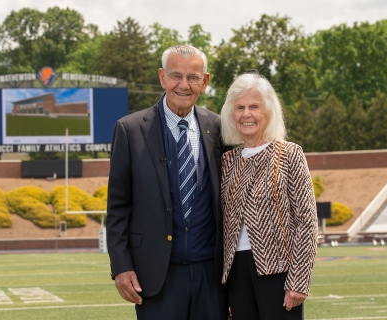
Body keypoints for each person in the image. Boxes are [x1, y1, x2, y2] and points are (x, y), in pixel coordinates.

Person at [107, 44, 228, 320]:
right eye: (176, 76)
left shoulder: (220, 128)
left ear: (205, 82)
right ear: (162, 77)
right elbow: (118, 207)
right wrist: (121, 266)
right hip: (155, 277)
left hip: (211, 278)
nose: (183, 85)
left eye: (193, 77)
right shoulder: (130, 130)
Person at [219, 72, 318, 319]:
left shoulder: (290, 154)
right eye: (239, 107)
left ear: (269, 111)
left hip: (280, 272)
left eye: (254, 106)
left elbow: (306, 222)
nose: (246, 114)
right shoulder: (227, 161)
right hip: (235, 274)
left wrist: (299, 280)